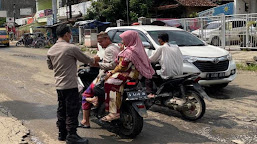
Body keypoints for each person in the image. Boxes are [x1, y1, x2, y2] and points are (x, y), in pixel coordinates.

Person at [47, 24, 100, 144]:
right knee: (72, 110)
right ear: (66, 34)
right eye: (70, 34)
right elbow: (87, 60)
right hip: (70, 85)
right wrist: (96, 59)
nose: (71, 36)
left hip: (59, 85)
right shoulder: (70, 48)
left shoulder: (51, 50)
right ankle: (71, 136)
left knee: (62, 109)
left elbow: (50, 66)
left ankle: (62, 134)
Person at [101, 30, 155, 121]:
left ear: (130, 39)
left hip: (128, 74)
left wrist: (111, 72)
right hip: (136, 76)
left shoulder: (129, 52)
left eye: (124, 39)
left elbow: (122, 66)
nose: (122, 41)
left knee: (109, 82)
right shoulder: (137, 49)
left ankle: (114, 112)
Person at [80, 32, 120, 128]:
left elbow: (111, 65)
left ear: (107, 39)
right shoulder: (116, 47)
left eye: (101, 41)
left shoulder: (109, 50)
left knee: (85, 95)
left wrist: (98, 64)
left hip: (106, 76)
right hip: (117, 76)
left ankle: (85, 121)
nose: (100, 44)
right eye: (98, 42)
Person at [147, 33, 183, 97]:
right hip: (179, 73)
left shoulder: (162, 48)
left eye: (159, 39)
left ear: (160, 40)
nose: (158, 40)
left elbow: (152, 59)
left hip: (168, 74)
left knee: (150, 75)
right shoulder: (176, 47)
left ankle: (151, 93)